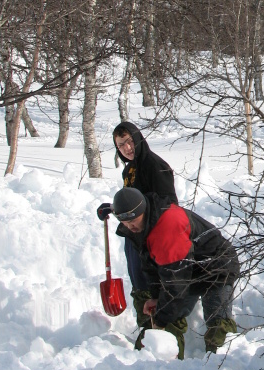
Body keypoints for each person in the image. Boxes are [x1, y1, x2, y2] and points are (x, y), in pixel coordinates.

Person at [101, 186, 239, 357]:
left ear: (142, 210)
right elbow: (152, 266)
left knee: (218, 325)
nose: (130, 226)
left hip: (217, 265)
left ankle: (218, 367)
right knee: (168, 320)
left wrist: (161, 316)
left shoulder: (167, 228)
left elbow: (176, 284)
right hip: (188, 267)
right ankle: (160, 365)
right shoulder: (141, 224)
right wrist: (156, 297)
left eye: (133, 220)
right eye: (125, 222)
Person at [97, 122, 178, 330]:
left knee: (156, 285)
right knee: (140, 282)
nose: (127, 148)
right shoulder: (130, 171)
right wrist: (115, 209)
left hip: (156, 238)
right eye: (121, 145)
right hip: (136, 238)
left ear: (138, 138)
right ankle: (146, 330)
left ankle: (165, 334)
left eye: (129, 141)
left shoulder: (155, 166)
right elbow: (132, 204)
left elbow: (167, 204)